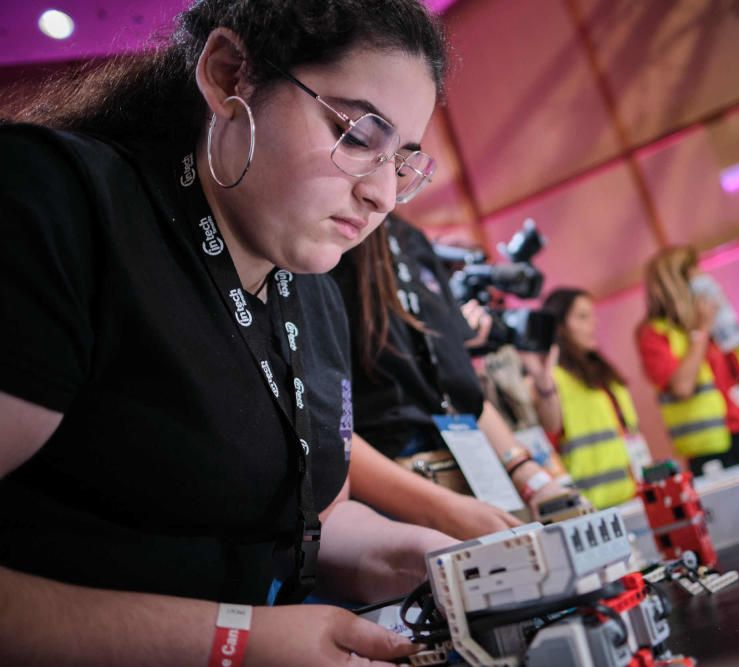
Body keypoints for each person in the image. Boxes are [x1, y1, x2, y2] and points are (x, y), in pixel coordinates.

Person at [0, 1, 457, 665]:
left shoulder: (314, 295)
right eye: (358, 135)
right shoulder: (59, 207)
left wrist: (421, 553)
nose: (382, 194)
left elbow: (307, 524)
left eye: (404, 160)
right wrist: (234, 640)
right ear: (227, 74)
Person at [333, 216, 567, 519]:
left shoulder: (410, 239)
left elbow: (462, 391)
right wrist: (447, 511)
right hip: (393, 470)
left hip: (460, 458)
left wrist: (531, 478)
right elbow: (332, 425)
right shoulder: (331, 251)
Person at [636, 246, 739, 477]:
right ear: (678, 288)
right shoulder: (655, 334)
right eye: (697, 281)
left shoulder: (718, 322)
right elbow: (682, 387)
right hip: (717, 449)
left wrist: (731, 325)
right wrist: (701, 330)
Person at [536, 288, 646, 509]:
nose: (593, 323)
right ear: (559, 326)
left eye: (592, 315)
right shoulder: (551, 380)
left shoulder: (602, 372)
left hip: (634, 492)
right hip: (592, 505)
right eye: (582, 317)